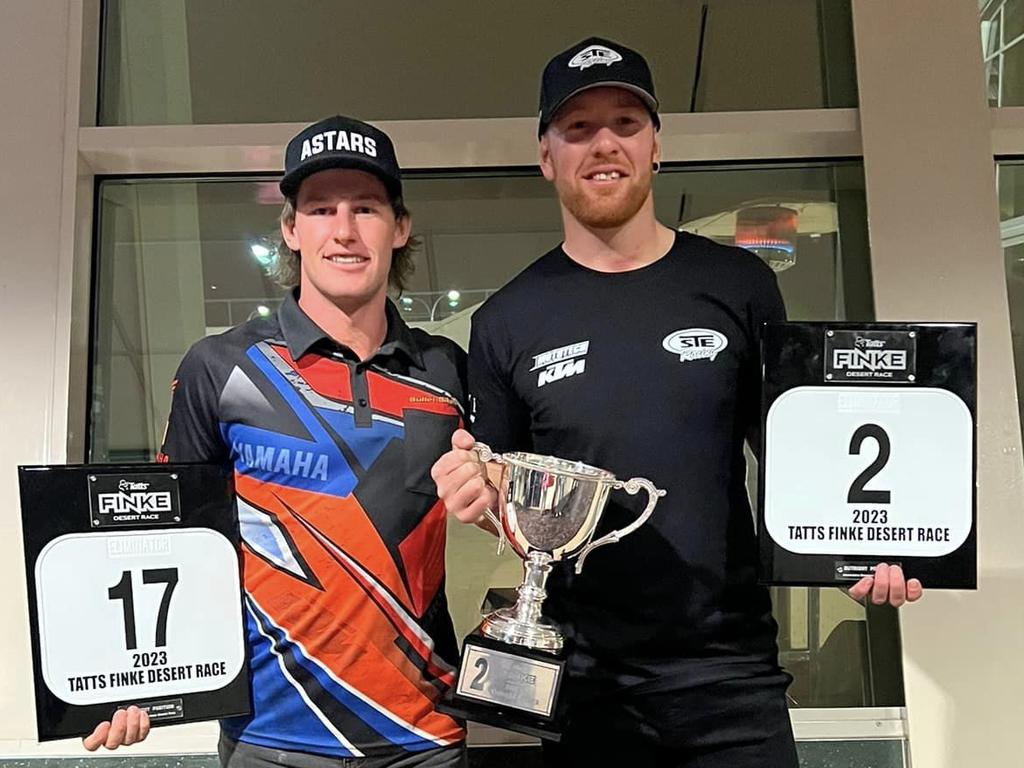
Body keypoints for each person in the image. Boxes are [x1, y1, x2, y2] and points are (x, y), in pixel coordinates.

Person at [431, 37, 921, 768]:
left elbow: (797, 451)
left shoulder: (739, 283)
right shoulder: (507, 320)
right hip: (586, 684)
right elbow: (509, 495)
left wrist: (855, 545)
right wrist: (475, 493)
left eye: (626, 123)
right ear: (545, 155)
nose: (604, 144)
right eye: (578, 127)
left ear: (656, 145)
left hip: (731, 677)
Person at [85, 115, 469, 768]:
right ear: (291, 229)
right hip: (271, 739)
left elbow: (507, 505)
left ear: (399, 228)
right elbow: (164, 537)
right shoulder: (220, 366)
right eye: (320, 209)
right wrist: (135, 679)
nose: (343, 230)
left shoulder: (450, 369)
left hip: (426, 738)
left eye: (366, 208)